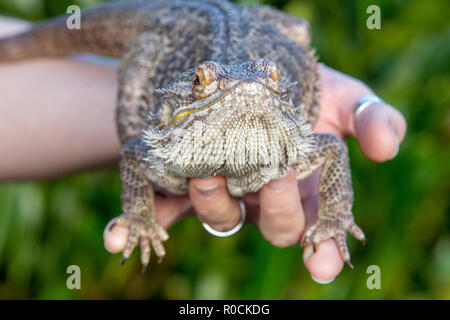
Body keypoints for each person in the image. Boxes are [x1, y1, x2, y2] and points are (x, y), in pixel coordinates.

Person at [0, 17, 406, 284]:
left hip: (251, 28)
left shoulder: (293, 150)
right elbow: (134, 153)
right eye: (206, 84)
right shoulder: (158, 148)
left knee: (297, 30)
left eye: (269, 82)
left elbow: (333, 148)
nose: (248, 93)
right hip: (174, 29)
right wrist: (140, 211)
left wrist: (335, 215)